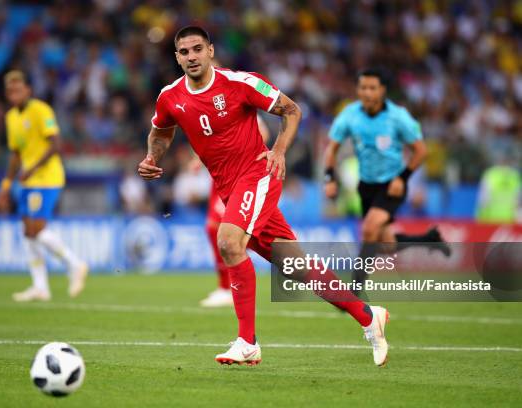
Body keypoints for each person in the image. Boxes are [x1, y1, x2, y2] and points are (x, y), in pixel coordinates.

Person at [138, 26, 389, 367]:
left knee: (228, 242)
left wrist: (279, 150)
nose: (192, 56)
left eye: (198, 48)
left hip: (258, 175)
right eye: (184, 52)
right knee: (297, 267)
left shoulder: (241, 83)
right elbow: (162, 131)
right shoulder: (170, 96)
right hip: (230, 188)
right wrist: (154, 157)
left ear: (210, 50)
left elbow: (292, 110)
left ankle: (247, 341)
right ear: (177, 57)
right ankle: (368, 315)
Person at [323, 68, 450, 295]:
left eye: (372, 88)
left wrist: (403, 178)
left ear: (382, 90)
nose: (367, 93)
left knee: (369, 228)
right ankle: (429, 239)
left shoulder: (398, 116)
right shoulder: (349, 115)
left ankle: (354, 291)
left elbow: (421, 151)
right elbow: (331, 148)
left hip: (392, 184)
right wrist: (330, 178)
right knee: (386, 245)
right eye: (363, 88)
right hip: (367, 186)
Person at [0, 70, 88, 302]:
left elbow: (56, 143)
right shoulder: (11, 118)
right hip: (28, 181)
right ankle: (40, 287)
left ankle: (74, 264)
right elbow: (16, 154)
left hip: (47, 178)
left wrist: (33, 168)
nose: (14, 94)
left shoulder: (41, 110)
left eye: (18, 89)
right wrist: (6, 184)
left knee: (36, 229)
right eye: (10, 90)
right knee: (27, 232)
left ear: (28, 90)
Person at [199, 114, 270, 308]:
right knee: (216, 229)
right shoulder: (206, 107)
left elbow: (263, 133)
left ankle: (230, 286)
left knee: (224, 231)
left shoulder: (237, 103)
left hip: (239, 176)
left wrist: (238, 151)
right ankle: (227, 286)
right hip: (220, 175)